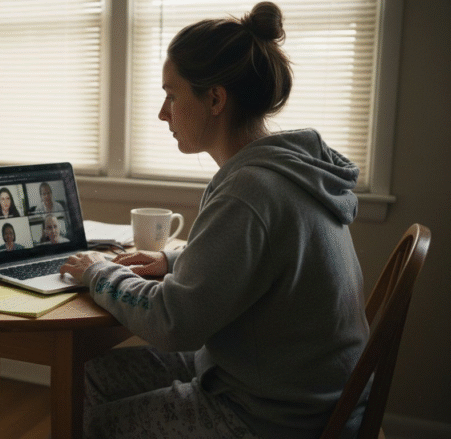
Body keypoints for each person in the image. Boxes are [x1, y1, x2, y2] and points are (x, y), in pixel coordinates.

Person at [59, 3, 369, 438]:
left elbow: (174, 323)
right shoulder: (290, 171)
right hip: (309, 391)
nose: (163, 113)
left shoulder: (250, 191)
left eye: (172, 94)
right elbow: (252, 264)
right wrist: (174, 262)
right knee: (93, 374)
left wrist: (99, 273)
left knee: (97, 423)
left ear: (216, 99)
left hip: (275, 417)